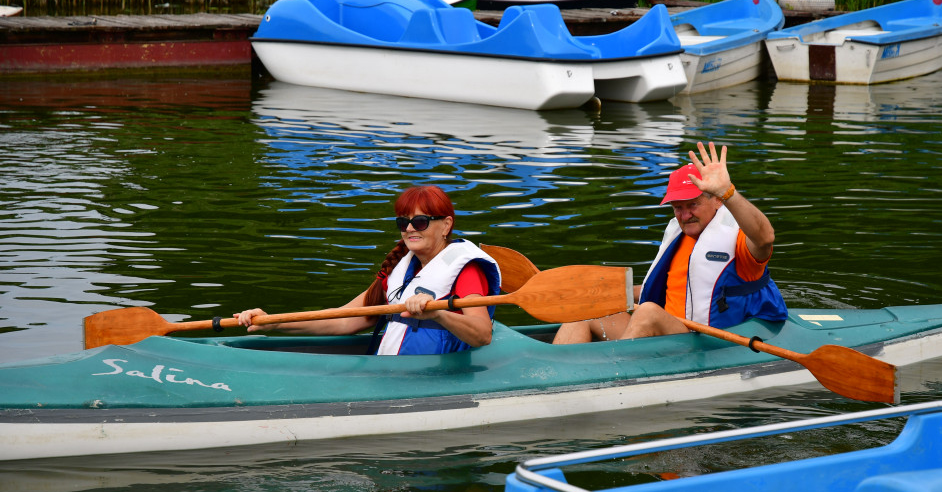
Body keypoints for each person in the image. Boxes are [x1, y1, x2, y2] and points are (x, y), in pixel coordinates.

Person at [553, 141, 786, 344]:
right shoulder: (679, 237)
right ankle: (558, 372)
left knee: (648, 313)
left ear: (717, 200)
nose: (685, 215)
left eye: (693, 204)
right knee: (587, 310)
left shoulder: (738, 239)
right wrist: (599, 293)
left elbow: (765, 238)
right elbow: (671, 288)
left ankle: (612, 372)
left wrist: (728, 191)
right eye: (678, 207)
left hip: (707, 343)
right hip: (669, 335)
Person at [235, 185, 501, 355]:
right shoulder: (400, 270)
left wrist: (439, 314)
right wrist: (273, 322)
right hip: (394, 374)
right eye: (403, 222)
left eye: (420, 221)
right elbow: (343, 319)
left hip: (439, 376)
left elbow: (482, 334)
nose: (409, 228)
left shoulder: (466, 270)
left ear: (446, 225)